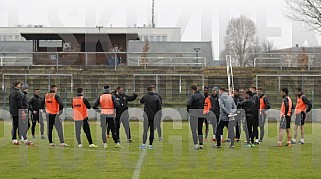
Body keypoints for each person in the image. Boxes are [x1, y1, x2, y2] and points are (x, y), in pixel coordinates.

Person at [187, 85, 205, 150]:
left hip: (194, 114)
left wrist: (189, 110)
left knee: (194, 130)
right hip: (201, 113)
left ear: (192, 90)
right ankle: (201, 144)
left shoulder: (193, 96)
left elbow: (189, 104)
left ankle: (196, 144)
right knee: (200, 129)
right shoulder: (202, 96)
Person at [9, 81, 23, 145]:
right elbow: (19, 103)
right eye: (19, 84)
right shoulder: (17, 93)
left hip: (12, 110)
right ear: (17, 85)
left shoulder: (11, 92)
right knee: (17, 125)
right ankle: (16, 138)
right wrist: (22, 110)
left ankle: (14, 138)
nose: (20, 85)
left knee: (15, 125)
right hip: (17, 111)